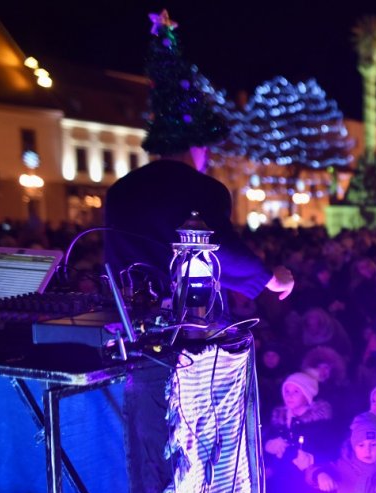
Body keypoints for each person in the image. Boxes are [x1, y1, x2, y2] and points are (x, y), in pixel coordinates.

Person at [104, 14, 292, 301]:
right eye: (206, 148)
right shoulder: (202, 189)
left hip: (121, 312)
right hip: (177, 314)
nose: (207, 156)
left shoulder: (121, 188)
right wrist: (268, 279)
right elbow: (217, 249)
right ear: (195, 146)